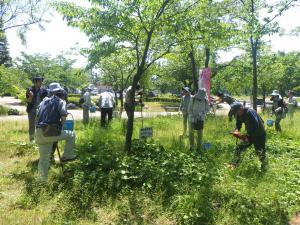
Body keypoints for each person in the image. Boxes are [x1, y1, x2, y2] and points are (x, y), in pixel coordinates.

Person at [35, 83, 76, 182]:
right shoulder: (61, 101)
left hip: (39, 132)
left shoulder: (43, 102)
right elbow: (63, 116)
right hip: (50, 132)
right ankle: (67, 156)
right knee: (72, 135)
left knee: (43, 159)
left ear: (50, 92)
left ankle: (42, 180)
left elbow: (37, 117)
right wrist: (60, 127)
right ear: (60, 92)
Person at [228, 102, 267, 171]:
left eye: (236, 112)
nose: (235, 114)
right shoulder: (238, 114)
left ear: (241, 108)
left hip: (259, 134)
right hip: (249, 134)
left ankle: (264, 167)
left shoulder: (250, 112)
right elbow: (238, 124)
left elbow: (256, 125)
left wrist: (245, 135)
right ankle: (234, 165)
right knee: (239, 148)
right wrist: (236, 131)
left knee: (260, 151)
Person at [25, 76, 48, 142]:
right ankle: (31, 140)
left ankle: (39, 140)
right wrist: (31, 96)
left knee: (40, 125)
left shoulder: (44, 91)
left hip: (41, 110)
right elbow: (28, 101)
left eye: (41, 81)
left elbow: (46, 101)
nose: (41, 82)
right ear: (35, 82)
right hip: (31, 110)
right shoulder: (30, 90)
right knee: (31, 125)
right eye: (40, 81)